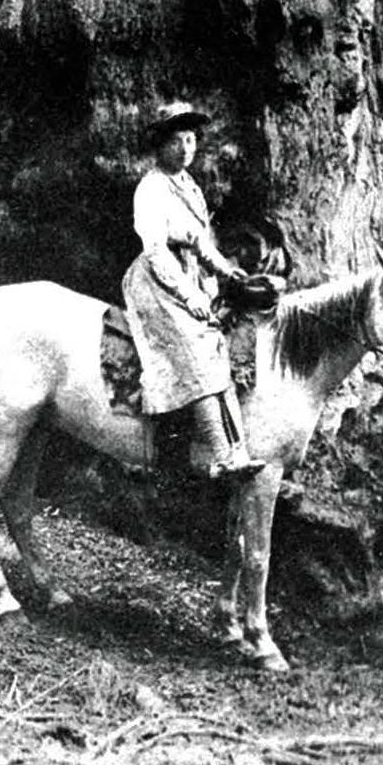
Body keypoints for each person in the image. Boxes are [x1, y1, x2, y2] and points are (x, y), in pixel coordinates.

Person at [121, 102, 260, 481]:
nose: (185, 149)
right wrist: (190, 296)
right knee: (195, 351)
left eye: (191, 140)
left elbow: (200, 242)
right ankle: (219, 457)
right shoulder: (151, 188)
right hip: (157, 282)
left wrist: (224, 269)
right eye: (177, 142)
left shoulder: (188, 186)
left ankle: (239, 452)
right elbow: (155, 250)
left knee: (216, 348)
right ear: (160, 146)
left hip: (191, 274)